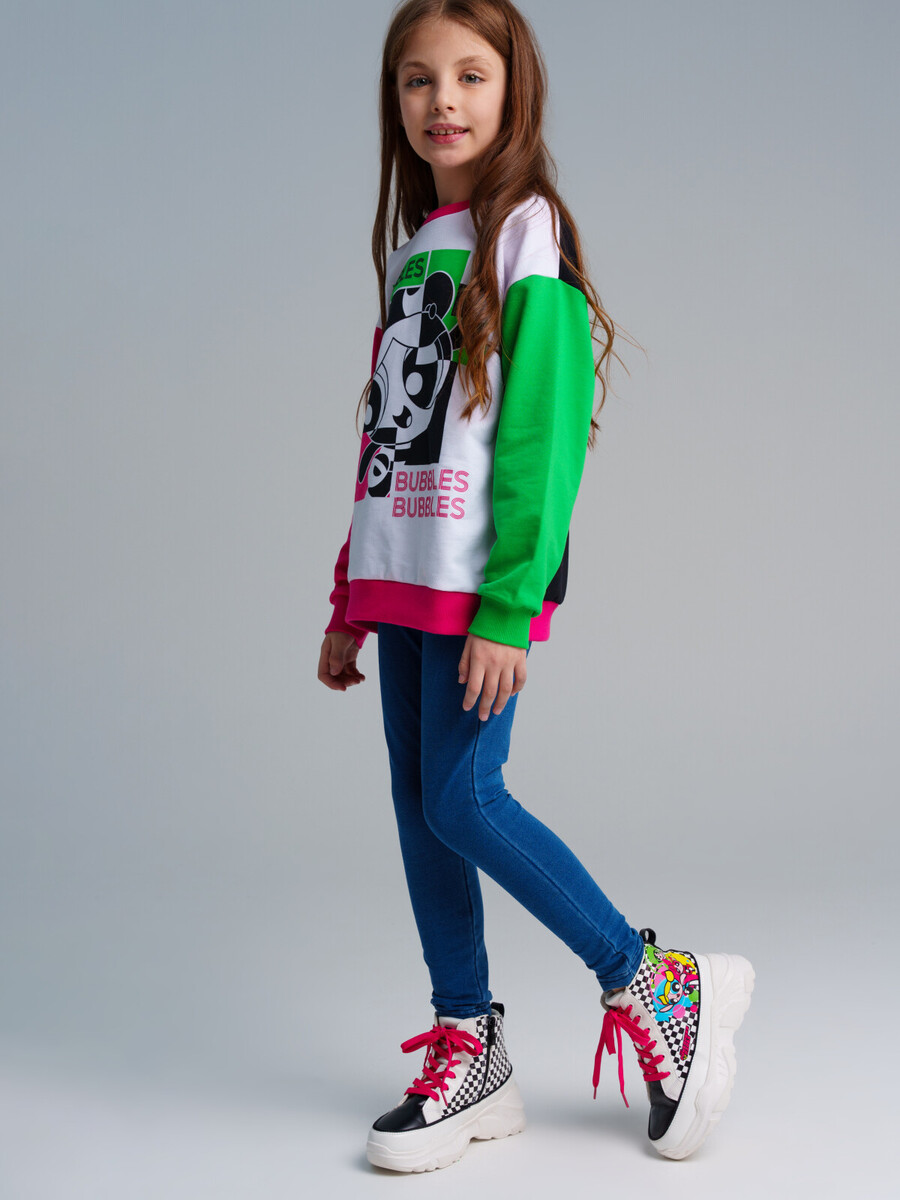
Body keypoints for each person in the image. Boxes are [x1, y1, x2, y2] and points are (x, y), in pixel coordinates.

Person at [317, 0, 754, 1174]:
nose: (443, 100)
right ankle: (470, 1048)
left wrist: (511, 606)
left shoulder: (525, 231)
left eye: (471, 74)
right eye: (418, 79)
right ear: (395, 101)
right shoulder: (416, 247)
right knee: (420, 805)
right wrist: (348, 594)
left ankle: (654, 980)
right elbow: (389, 434)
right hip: (401, 581)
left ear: (515, 91)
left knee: (465, 799)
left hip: (475, 589)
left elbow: (543, 439)